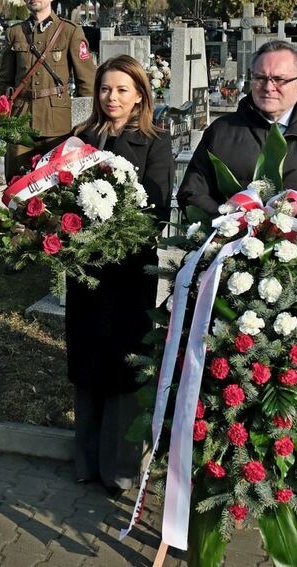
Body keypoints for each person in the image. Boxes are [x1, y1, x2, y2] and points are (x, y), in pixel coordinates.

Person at [64, 55, 173, 495]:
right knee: (87, 363)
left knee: (124, 365)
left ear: (140, 95)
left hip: (128, 274)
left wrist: (114, 227)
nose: (112, 98)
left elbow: (158, 207)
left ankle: (121, 469)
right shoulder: (80, 137)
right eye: (106, 89)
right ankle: (86, 462)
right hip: (86, 273)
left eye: (122, 90)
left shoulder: (155, 143)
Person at [178, 40, 297, 242]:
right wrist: (230, 226)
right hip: (229, 255)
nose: (268, 87)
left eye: (279, 79)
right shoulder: (223, 131)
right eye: (260, 78)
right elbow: (193, 192)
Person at [0, 0, 96, 179]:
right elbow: (5, 79)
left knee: (58, 184)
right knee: (16, 182)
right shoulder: (15, 33)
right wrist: (2, 116)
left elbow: (87, 82)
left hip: (58, 123)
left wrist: (86, 125)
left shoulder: (70, 31)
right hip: (21, 121)